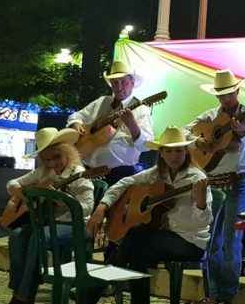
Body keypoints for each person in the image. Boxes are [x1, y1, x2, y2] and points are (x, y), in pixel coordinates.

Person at [85, 127, 213, 304]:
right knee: (136, 252)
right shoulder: (157, 173)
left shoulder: (197, 178)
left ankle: (92, 293)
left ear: (186, 151)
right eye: (168, 151)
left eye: (178, 150)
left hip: (189, 240)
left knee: (130, 240)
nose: (174, 156)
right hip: (161, 237)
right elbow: (125, 182)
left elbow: (202, 224)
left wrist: (200, 204)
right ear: (161, 153)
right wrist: (102, 206)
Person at [185, 69, 245, 304]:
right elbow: (184, 133)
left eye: (229, 94)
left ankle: (228, 295)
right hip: (212, 183)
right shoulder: (210, 117)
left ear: (237, 91)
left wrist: (244, 135)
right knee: (210, 240)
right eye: (221, 95)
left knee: (232, 242)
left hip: (238, 182)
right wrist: (198, 140)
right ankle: (212, 295)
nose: (225, 100)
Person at [6, 127, 95, 304]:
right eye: (47, 159)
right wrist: (25, 194)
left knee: (37, 237)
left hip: (75, 226)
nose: (52, 163)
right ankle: (19, 287)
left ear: (67, 153)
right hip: (48, 223)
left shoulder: (80, 174)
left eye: (56, 157)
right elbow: (12, 183)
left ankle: (23, 296)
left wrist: (61, 199)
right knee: (16, 235)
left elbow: (86, 208)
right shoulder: (44, 171)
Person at [67, 60, 154, 185]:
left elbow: (146, 146)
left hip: (119, 175)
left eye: (123, 82)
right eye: (114, 82)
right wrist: (76, 123)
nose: (118, 87)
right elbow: (76, 116)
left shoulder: (141, 109)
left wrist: (132, 125)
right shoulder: (102, 102)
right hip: (87, 170)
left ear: (132, 83)